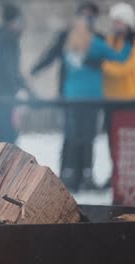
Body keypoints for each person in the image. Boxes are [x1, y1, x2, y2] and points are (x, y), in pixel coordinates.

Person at [62, 16, 131, 192]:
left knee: (73, 137)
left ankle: (71, 175)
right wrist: (129, 42)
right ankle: (87, 175)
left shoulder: (69, 47)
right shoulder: (96, 44)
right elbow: (120, 57)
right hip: (91, 97)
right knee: (88, 137)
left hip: (71, 97)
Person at [0, 3, 34, 144]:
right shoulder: (8, 40)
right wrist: (28, 90)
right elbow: (10, 70)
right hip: (5, 96)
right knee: (6, 138)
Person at [31, 1, 101, 97]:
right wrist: (36, 69)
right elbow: (51, 54)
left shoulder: (99, 39)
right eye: (83, 14)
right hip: (68, 90)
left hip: (90, 90)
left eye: (90, 15)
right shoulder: (66, 36)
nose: (86, 19)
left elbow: (105, 63)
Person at [102, 3, 135, 202]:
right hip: (110, 100)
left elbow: (126, 68)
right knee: (111, 141)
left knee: (128, 143)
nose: (117, 25)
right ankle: (114, 174)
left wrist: (105, 66)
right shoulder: (110, 41)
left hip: (129, 101)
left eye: (120, 21)